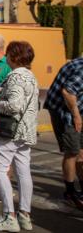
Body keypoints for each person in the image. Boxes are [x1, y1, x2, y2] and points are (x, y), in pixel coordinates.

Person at [0, 41, 39, 232]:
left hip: (9, 131)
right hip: (25, 131)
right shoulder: (30, 76)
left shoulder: (15, 77)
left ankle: (8, 216)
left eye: (9, 54)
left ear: (13, 56)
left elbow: (14, 105)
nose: (7, 57)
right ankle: (24, 215)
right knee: (23, 171)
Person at [43, 51, 83, 210]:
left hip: (75, 109)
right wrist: (76, 115)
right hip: (64, 112)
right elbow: (68, 91)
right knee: (72, 151)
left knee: (80, 151)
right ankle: (70, 191)